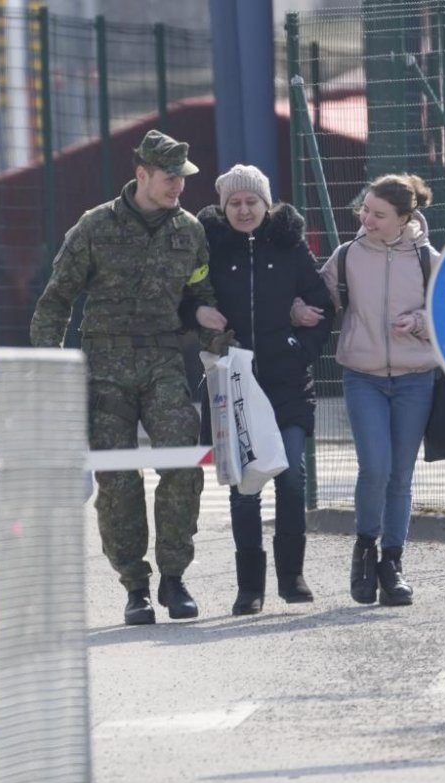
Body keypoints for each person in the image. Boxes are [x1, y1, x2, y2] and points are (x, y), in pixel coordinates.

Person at [29, 129, 227, 626]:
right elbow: (56, 299)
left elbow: (200, 296)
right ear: (141, 175)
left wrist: (211, 328)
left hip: (163, 360)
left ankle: (175, 577)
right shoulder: (94, 227)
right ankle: (135, 586)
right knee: (116, 478)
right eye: (169, 178)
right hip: (104, 368)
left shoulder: (190, 232)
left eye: (182, 179)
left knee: (182, 461)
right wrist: (50, 366)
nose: (178, 187)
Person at [193, 164, 333, 615]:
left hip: (287, 382)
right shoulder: (210, 248)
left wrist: (299, 346)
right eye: (234, 202)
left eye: (251, 201)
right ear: (223, 207)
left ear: (266, 203)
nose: (244, 209)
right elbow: (187, 299)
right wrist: (199, 315)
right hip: (235, 383)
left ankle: (292, 576)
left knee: (291, 478)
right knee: (245, 487)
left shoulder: (291, 248)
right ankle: (249, 587)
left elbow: (323, 307)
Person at [319, 173, 439, 607]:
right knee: (375, 467)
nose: (365, 218)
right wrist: (299, 308)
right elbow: (319, 298)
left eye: (377, 213)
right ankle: (364, 549)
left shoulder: (428, 259)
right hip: (363, 376)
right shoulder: (347, 255)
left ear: (405, 217)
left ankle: (392, 563)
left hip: (415, 379)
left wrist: (421, 322)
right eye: (365, 209)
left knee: (400, 476)